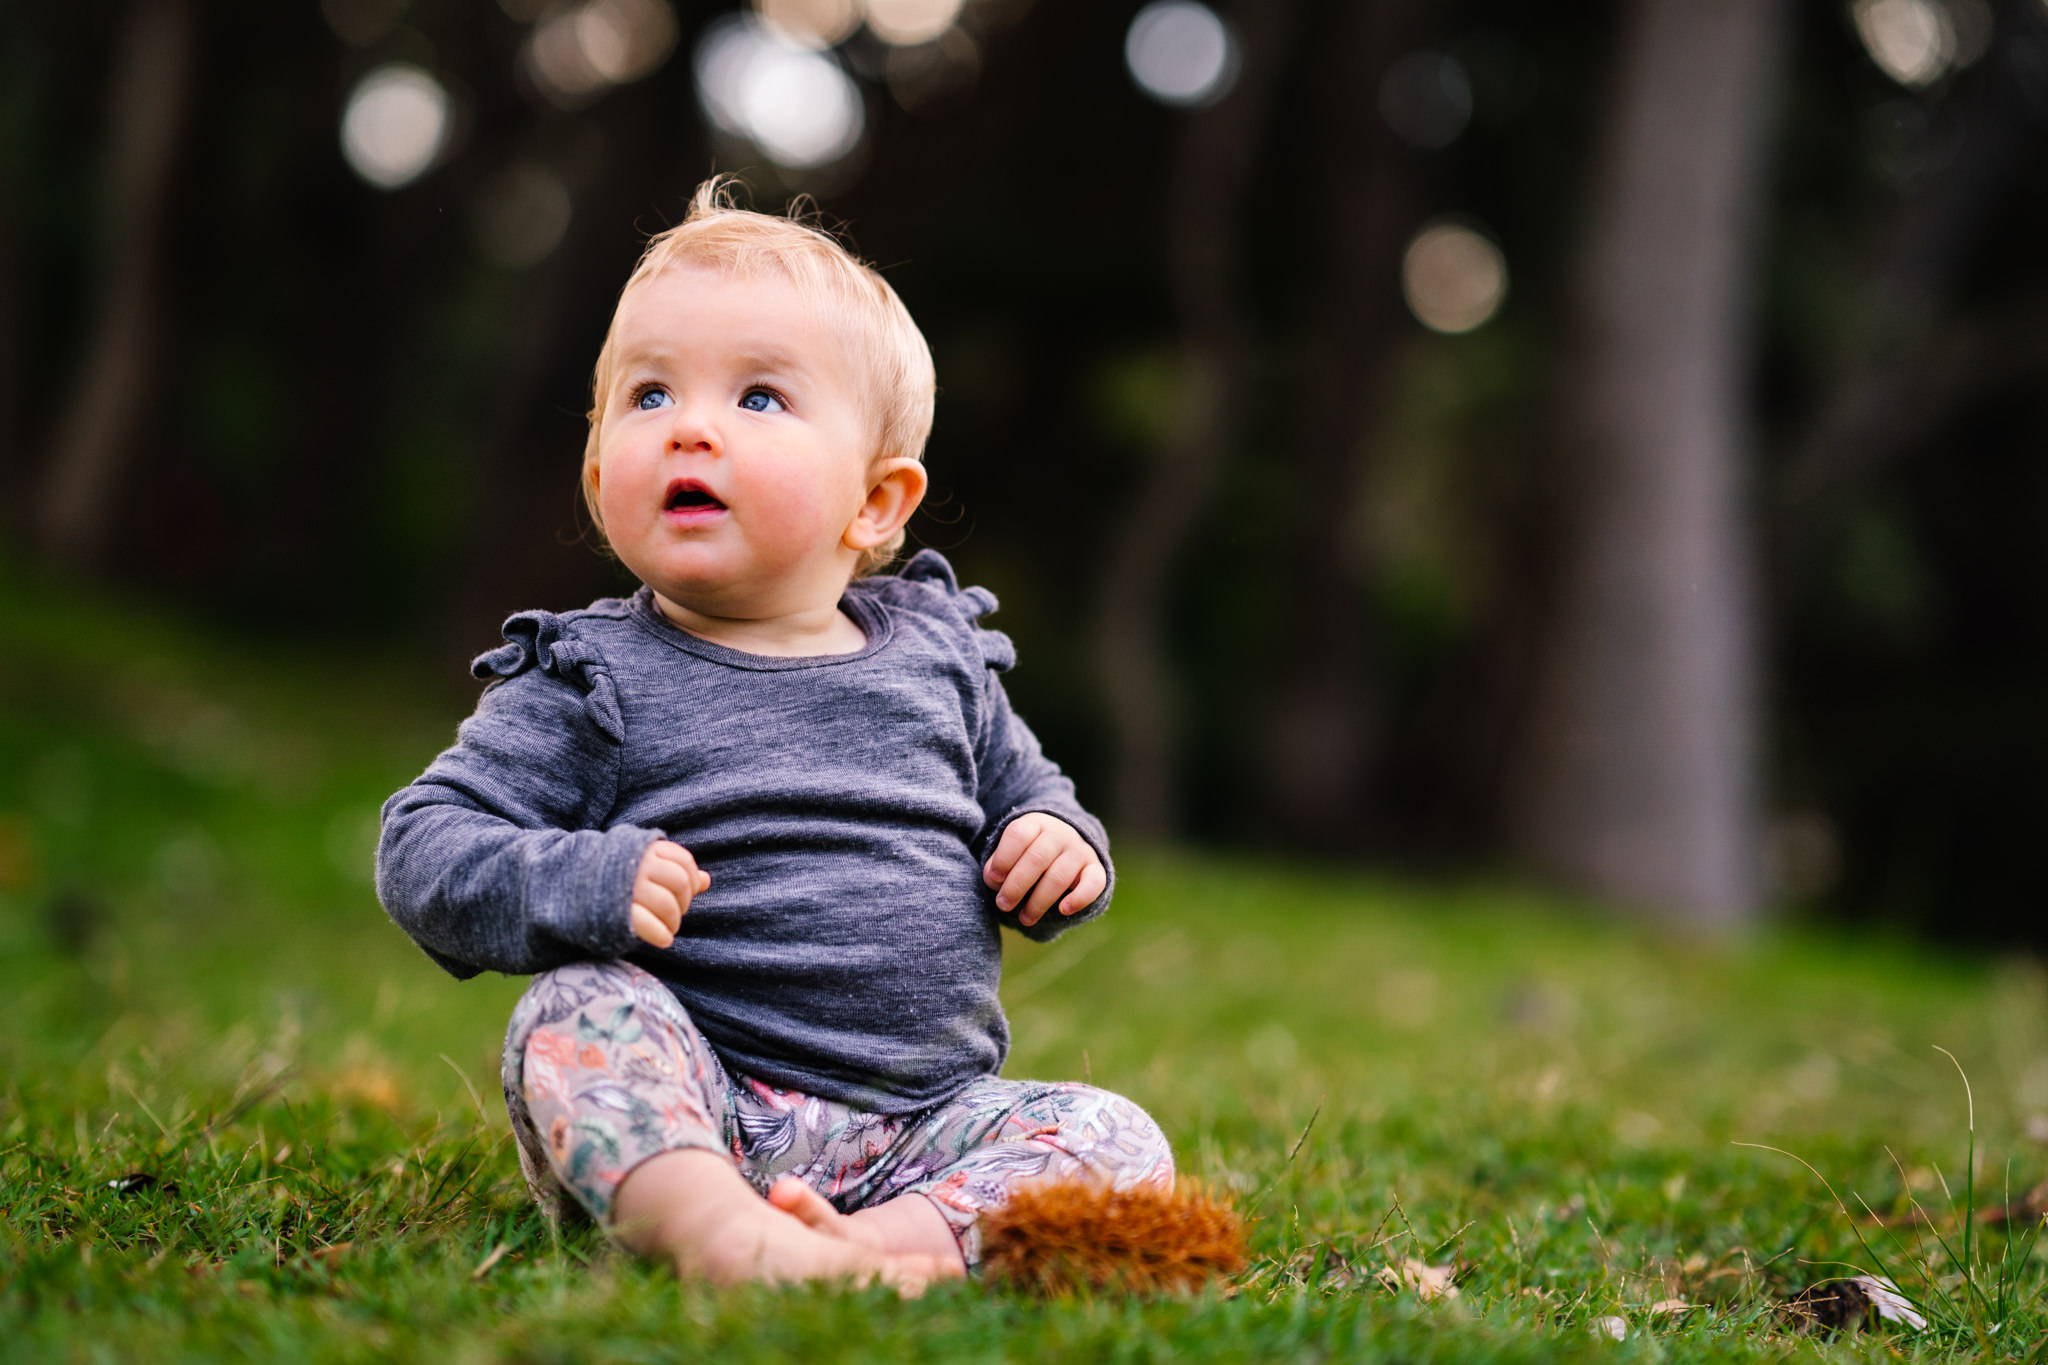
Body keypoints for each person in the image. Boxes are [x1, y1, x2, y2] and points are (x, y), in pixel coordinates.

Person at [375, 180, 1173, 1293]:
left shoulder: (939, 657)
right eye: (648, 395)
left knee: (1115, 1139)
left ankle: (880, 1254)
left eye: (757, 399)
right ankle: (717, 1233)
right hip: (698, 1099)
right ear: (601, 468)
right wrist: (576, 878)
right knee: (575, 1013)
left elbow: (1028, 791)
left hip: (920, 1126)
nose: (690, 424)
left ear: (877, 502)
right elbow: (421, 844)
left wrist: (1055, 839)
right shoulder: (593, 678)